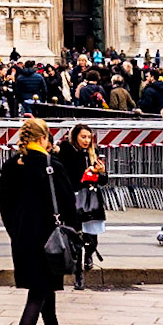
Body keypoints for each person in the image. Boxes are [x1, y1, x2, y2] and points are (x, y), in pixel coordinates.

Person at [0, 117, 79, 325]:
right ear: (44, 139)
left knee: (46, 297)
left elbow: (5, 207)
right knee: (37, 296)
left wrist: (15, 233)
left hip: (22, 239)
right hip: (49, 241)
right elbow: (68, 205)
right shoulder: (52, 166)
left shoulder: (11, 166)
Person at [56, 123, 107, 290]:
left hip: (91, 199)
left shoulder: (93, 153)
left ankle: (89, 255)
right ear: (75, 137)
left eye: (89, 137)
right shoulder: (67, 152)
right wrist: (84, 176)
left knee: (92, 235)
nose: (86, 140)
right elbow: (68, 176)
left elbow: (103, 181)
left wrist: (101, 173)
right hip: (74, 198)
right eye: (83, 137)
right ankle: (78, 275)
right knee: (76, 237)